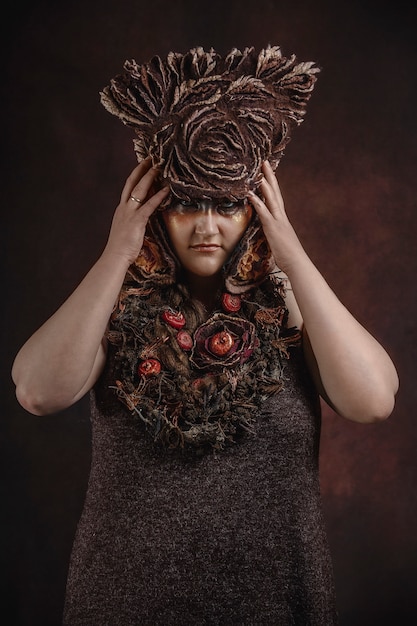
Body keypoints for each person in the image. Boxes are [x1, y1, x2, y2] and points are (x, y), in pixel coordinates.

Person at [12, 46, 398, 625]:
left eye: (228, 205)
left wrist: (291, 254)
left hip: (279, 608)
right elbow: (38, 392)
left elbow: (372, 401)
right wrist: (119, 250)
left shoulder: (290, 310)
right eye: (187, 204)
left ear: (255, 209)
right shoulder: (115, 311)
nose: (209, 226)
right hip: (123, 606)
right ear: (156, 211)